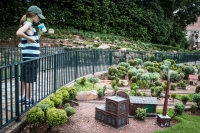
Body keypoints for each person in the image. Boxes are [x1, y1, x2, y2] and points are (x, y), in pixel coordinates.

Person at [16, 5, 45, 105]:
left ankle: (20, 98)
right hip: (31, 58)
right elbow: (19, 32)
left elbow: (35, 39)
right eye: (39, 16)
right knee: (30, 80)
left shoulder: (30, 25)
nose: (40, 18)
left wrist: (39, 34)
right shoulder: (28, 23)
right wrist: (29, 38)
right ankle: (29, 100)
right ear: (34, 15)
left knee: (24, 78)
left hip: (27, 57)